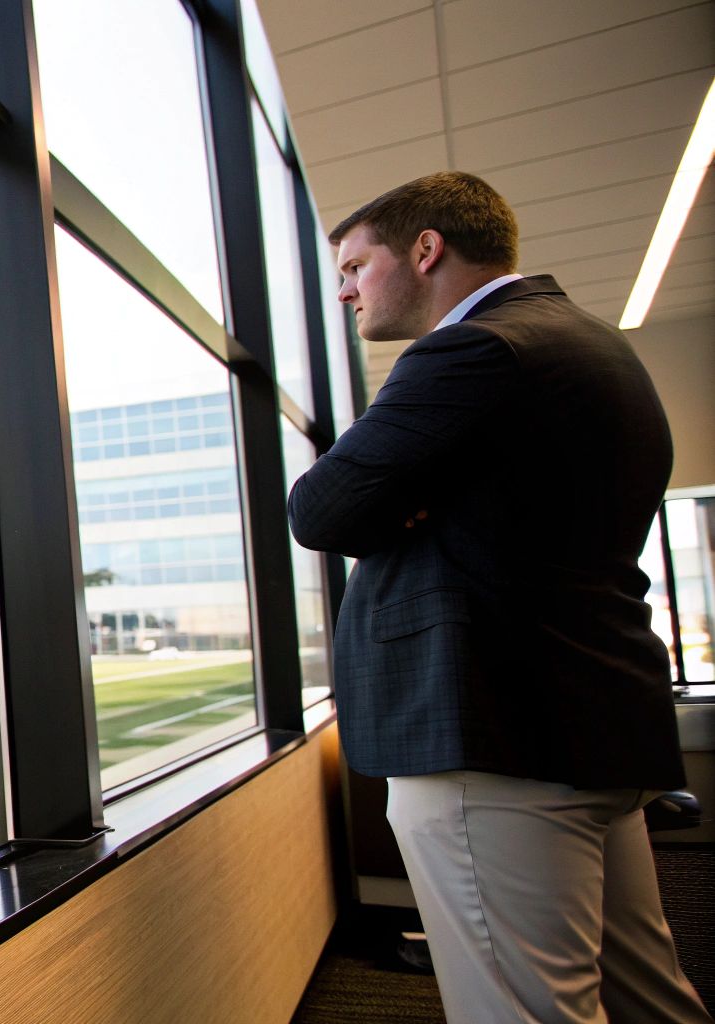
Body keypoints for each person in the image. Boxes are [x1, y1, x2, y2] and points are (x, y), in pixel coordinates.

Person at [289, 172, 709, 1024]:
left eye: (356, 267)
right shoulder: (589, 342)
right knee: (646, 997)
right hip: (586, 724)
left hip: (492, 732)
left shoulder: (474, 350)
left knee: (525, 1009)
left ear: (426, 249)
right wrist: (404, 504)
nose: (345, 291)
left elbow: (320, 509)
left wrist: (393, 507)